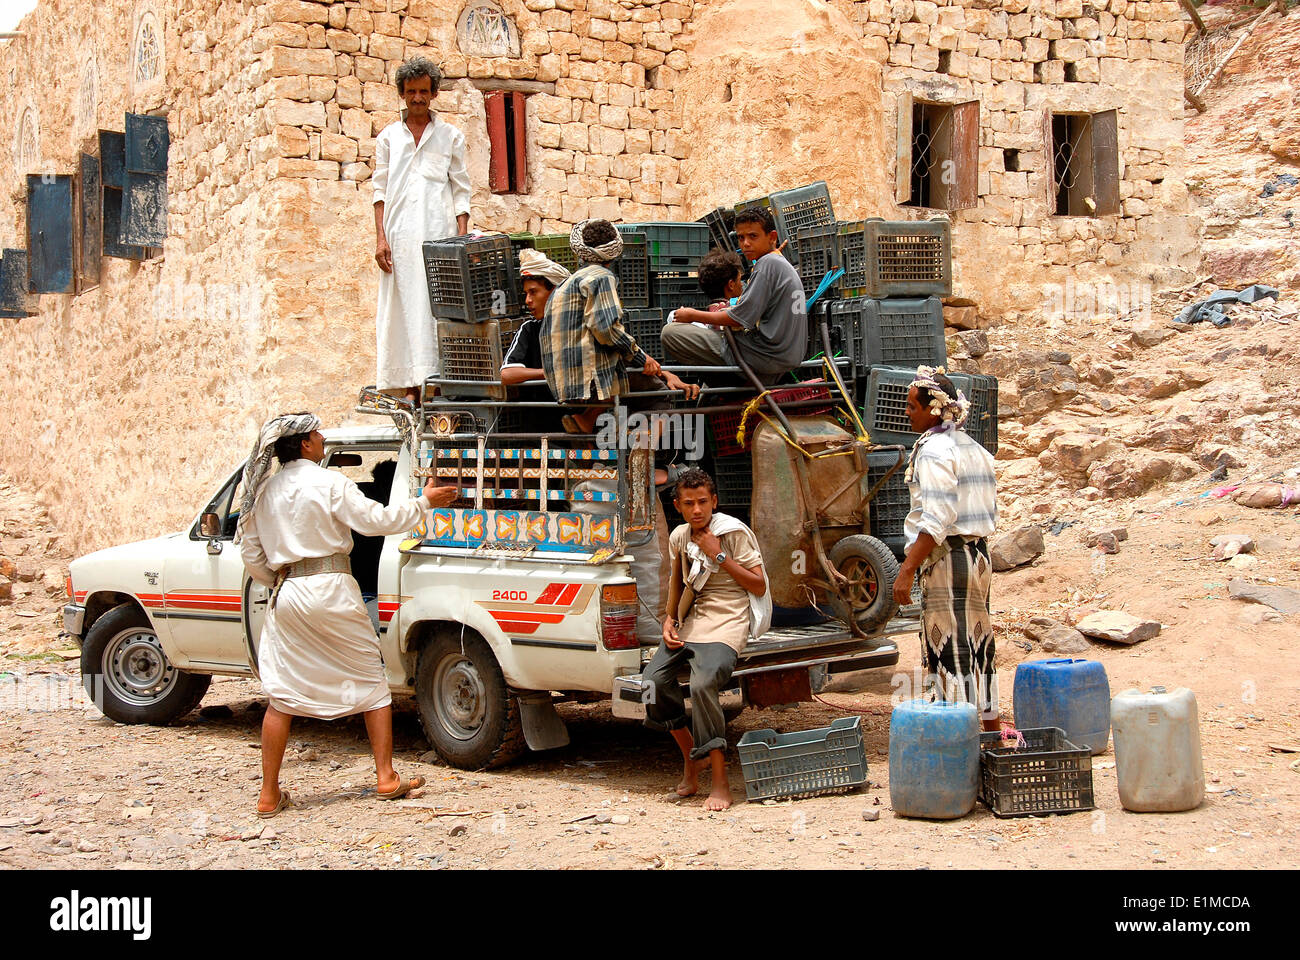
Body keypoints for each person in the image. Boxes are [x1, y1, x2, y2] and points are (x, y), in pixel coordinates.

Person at [236, 412, 459, 817]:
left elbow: (251, 553)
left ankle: (268, 795)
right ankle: (386, 776)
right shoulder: (330, 483)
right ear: (304, 443)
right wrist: (426, 501)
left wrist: (281, 578)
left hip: (289, 592)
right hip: (333, 587)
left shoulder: (263, 493)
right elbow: (376, 522)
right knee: (372, 680)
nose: (323, 437)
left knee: (282, 694)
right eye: (318, 433)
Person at [642, 467, 771, 811]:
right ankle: (691, 757)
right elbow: (677, 582)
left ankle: (720, 782)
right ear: (678, 506)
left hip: (728, 620)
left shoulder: (732, 533)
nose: (697, 510)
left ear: (714, 501)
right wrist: (670, 620)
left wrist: (718, 553)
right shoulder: (679, 537)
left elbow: (758, 585)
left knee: (702, 686)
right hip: (692, 621)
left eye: (703, 502)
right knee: (651, 683)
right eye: (689, 503)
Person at [889, 367, 1001, 732]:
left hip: (948, 559)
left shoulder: (933, 451)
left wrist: (906, 570)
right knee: (979, 644)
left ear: (933, 410)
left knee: (952, 649)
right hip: (977, 557)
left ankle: (962, 743)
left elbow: (936, 520)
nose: (907, 412)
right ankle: (991, 734)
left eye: (911, 407)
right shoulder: (974, 448)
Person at [373, 57, 472, 407]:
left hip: (439, 236)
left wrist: (461, 238)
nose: (417, 98)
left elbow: (461, 189)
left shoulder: (450, 136)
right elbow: (380, 191)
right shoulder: (388, 138)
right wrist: (381, 238)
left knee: (437, 306)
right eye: (411, 91)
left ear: (433, 94)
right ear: (402, 94)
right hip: (399, 237)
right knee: (402, 306)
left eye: (423, 91)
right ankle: (411, 387)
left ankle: (438, 383)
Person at [540, 219, 665, 433]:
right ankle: (641, 448)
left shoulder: (566, 283)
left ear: (581, 251)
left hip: (561, 379)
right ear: (614, 253)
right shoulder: (602, 277)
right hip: (587, 379)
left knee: (622, 375)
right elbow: (606, 329)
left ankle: (592, 424)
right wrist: (640, 357)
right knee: (658, 392)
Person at [661, 208, 807, 383]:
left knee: (670, 333)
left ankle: (737, 385)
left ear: (772, 237)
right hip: (782, 356)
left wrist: (692, 315)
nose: (745, 243)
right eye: (740, 237)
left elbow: (739, 318)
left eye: (753, 236)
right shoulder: (779, 263)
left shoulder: (767, 264)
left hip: (767, 357)